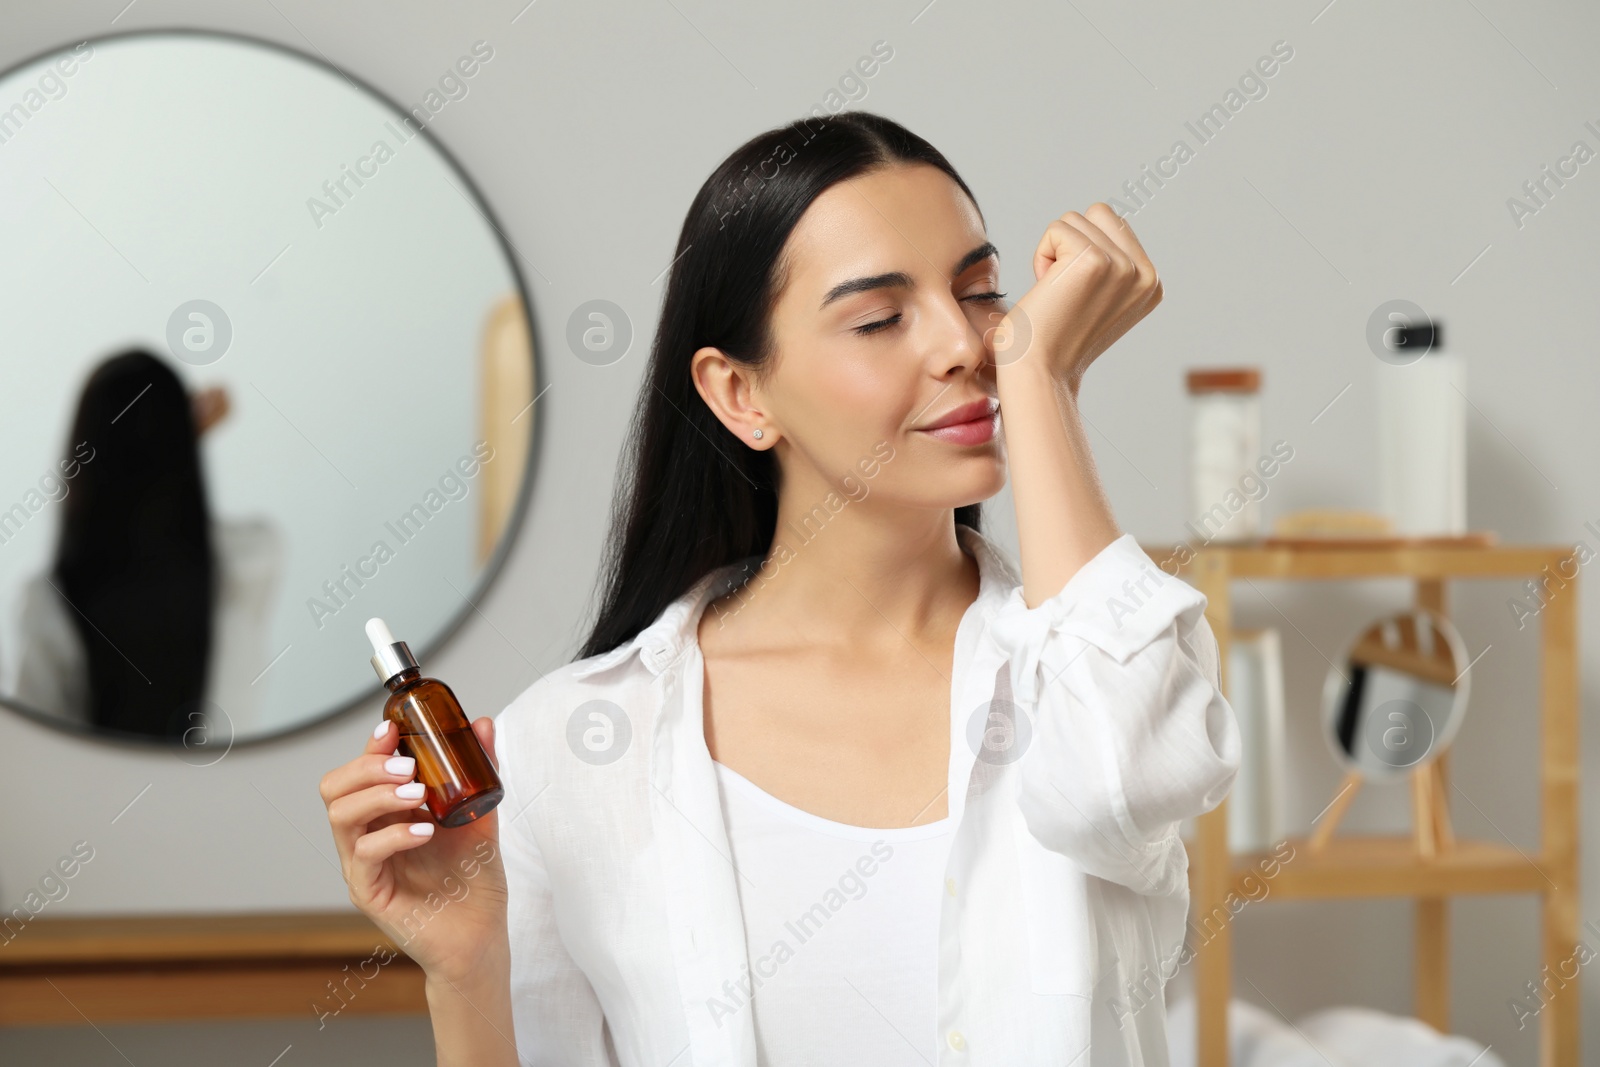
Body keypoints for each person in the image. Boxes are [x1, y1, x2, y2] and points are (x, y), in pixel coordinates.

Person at [321, 111, 1240, 1066]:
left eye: (981, 293)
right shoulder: (578, 747)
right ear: (738, 395)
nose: (967, 345)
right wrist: (464, 969)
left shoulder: (1085, 677)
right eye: (881, 317)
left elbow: (1133, 781)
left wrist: (1043, 381)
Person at [13, 350, 282, 740]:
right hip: (223, 800)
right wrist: (175, 443)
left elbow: (38, 755)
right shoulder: (247, 563)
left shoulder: (51, 602)